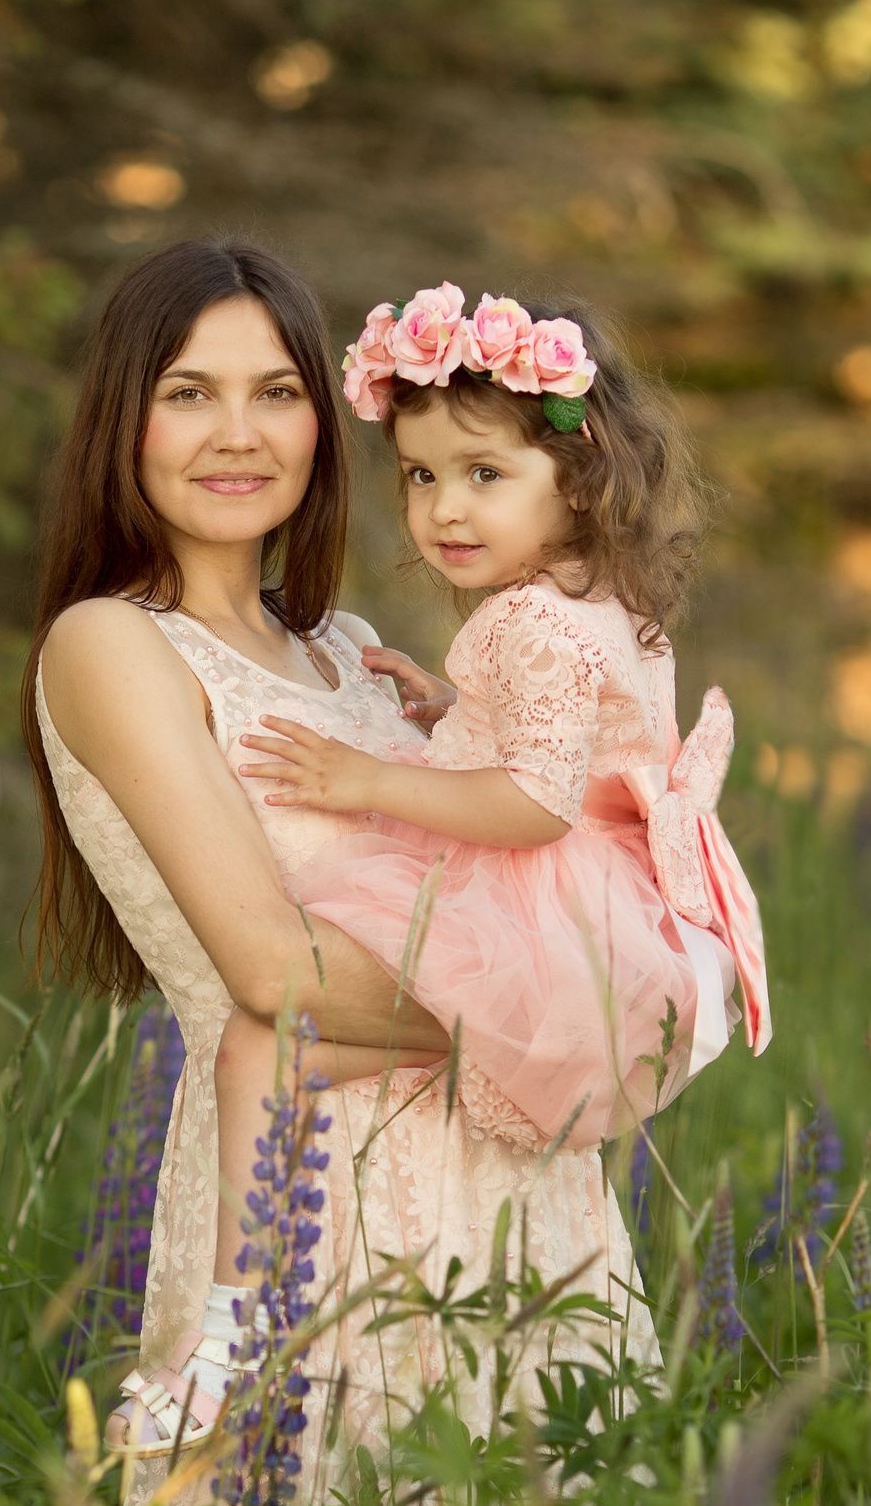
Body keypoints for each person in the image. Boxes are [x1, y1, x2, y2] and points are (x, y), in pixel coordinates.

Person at [24, 243, 661, 1506]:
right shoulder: (113, 647)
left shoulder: (353, 654)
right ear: (122, 420)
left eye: (276, 392)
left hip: (526, 1211)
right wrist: (572, 1010)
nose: (237, 433)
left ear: (322, 419)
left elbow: (515, 854)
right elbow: (272, 973)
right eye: (189, 392)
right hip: (307, 1221)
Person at [225, 282, 770, 1172]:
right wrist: (460, 709)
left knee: (271, 1046)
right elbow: (584, 744)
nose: (445, 508)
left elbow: (537, 804)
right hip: (610, 904)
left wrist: (365, 780)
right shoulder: (604, 601)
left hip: (535, 901)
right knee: (323, 1051)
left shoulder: (531, 623)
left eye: (485, 474)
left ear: (583, 485)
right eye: (421, 475)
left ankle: (238, 1292)